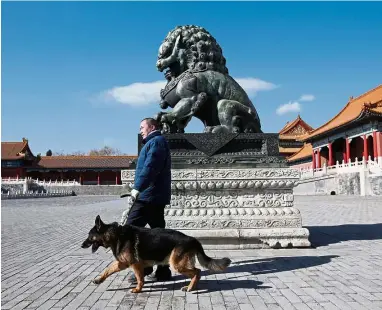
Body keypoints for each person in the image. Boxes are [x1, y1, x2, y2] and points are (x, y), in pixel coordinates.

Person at [125, 117, 172, 282]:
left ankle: (145, 268)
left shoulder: (156, 142)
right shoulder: (155, 142)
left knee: (130, 230)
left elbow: (151, 167)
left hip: (148, 196)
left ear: (152, 127)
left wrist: (138, 188)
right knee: (159, 234)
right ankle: (163, 270)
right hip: (154, 195)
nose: (140, 130)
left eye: (142, 127)